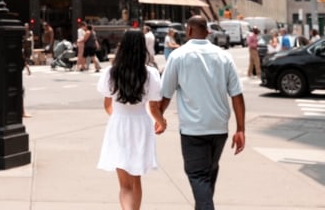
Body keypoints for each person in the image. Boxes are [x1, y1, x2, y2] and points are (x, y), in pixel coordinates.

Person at [160, 15, 245, 210]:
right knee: (208, 174)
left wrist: (159, 117)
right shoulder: (224, 56)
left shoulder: (178, 56)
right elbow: (237, 96)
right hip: (219, 129)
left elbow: (165, 95)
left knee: (198, 177)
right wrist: (240, 129)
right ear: (208, 32)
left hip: (193, 130)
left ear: (188, 31)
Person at [97, 29, 166, 210]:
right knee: (136, 179)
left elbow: (107, 104)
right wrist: (162, 121)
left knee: (125, 185)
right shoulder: (150, 73)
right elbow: (153, 106)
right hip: (141, 124)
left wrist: (118, 119)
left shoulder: (111, 73)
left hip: (118, 124)